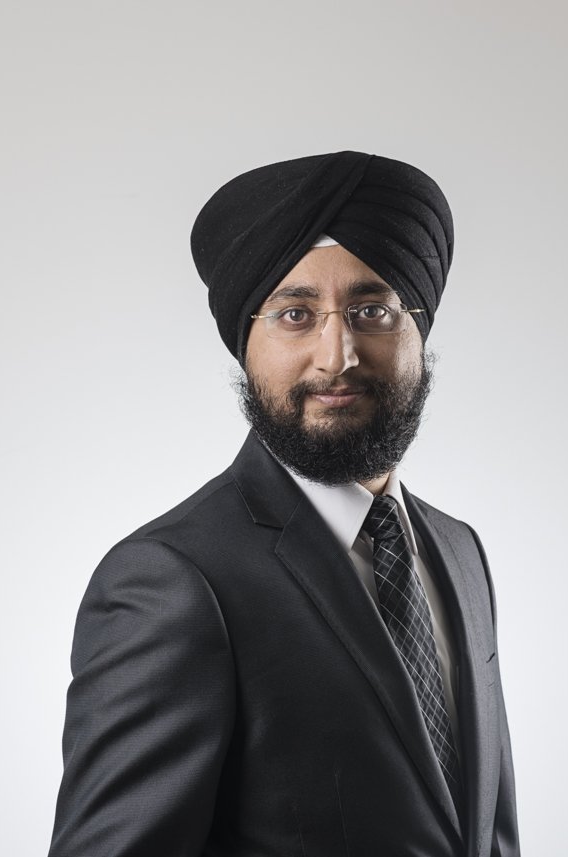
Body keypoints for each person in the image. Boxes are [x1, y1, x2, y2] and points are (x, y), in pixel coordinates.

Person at [48, 151, 520, 856]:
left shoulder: (458, 550)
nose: (338, 355)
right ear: (247, 343)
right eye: (296, 314)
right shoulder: (173, 580)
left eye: (373, 309)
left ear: (419, 331)